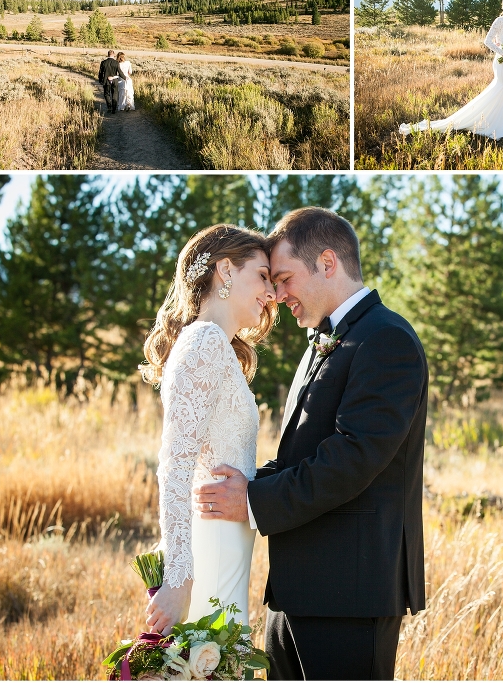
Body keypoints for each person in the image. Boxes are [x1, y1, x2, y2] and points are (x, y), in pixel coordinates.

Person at [193, 207, 428, 680]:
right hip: (297, 589)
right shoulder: (325, 337)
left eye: (283, 278)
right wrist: (247, 480)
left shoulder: (387, 339)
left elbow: (352, 457)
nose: (277, 296)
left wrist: (252, 499)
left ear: (326, 262)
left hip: (349, 594)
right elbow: (301, 453)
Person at [141, 224, 277, 638]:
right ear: (225, 270)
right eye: (263, 276)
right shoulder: (204, 342)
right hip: (212, 547)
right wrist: (180, 579)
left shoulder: (214, 345)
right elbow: (174, 465)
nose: (271, 293)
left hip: (229, 540)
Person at [399, 0, 503, 140]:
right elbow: (487, 41)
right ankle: (478, 120)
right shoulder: (499, 21)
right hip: (500, 61)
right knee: (499, 89)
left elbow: (499, 41)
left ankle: (499, 124)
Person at [97, 50, 123, 114]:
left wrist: (100, 80)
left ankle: (109, 107)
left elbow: (100, 72)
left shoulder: (103, 62)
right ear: (113, 54)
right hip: (115, 81)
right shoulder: (116, 63)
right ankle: (114, 109)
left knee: (106, 94)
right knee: (115, 94)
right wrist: (125, 78)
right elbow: (120, 72)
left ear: (108, 54)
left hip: (106, 80)